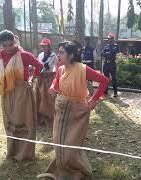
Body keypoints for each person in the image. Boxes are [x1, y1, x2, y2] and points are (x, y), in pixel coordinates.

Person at [37, 41, 109, 180]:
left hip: (78, 112)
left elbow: (104, 81)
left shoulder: (83, 69)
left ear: (71, 55)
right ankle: (61, 169)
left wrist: (93, 100)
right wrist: (53, 87)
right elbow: (56, 82)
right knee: (58, 143)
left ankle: (78, 171)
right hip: (61, 109)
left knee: (71, 147)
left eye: (62, 52)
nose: (58, 55)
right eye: (58, 52)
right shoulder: (60, 69)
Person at [0, 30, 43, 161]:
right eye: (4, 46)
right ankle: (12, 150)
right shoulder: (0, 55)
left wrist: (32, 79)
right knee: (10, 122)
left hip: (22, 92)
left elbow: (39, 66)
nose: (8, 48)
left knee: (22, 121)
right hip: (6, 91)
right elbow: (3, 73)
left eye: (10, 45)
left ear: (14, 42)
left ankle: (24, 153)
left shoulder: (23, 55)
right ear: (1, 45)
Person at [35, 38, 58, 128]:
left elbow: (56, 67)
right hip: (41, 78)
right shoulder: (40, 55)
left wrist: (52, 73)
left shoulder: (53, 56)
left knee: (48, 99)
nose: (43, 47)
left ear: (49, 46)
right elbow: (37, 65)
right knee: (39, 98)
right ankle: (40, 119)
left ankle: (49, 119)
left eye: (45, 46)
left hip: (49, 78)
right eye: (42, 46)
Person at [102, 33, 119, 97]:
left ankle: (115, 92)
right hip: (106, 64)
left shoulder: (116, 46)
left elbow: (113, 52)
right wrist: (107, 53)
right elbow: (102, 53)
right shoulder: (106, 46)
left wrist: (107, 53)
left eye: (109, 38)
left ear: (112, 39)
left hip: (112, 64)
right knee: (105, 78)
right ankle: (105, 91)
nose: (108, 40)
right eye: (108, 38)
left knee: (114, 78)